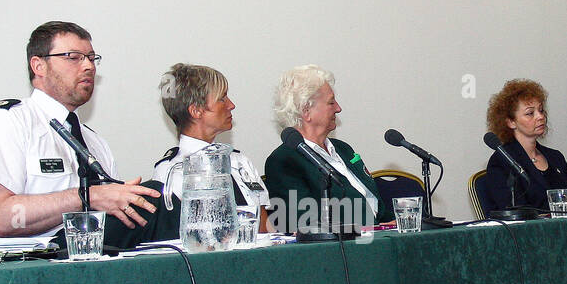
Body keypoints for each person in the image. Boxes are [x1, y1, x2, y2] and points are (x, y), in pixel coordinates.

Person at [0, 21, 160, 249]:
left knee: (159, 199)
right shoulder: (7, 122)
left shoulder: (94, 143)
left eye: (91, 58)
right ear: (39, 66)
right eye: (73, 57)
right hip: (20, 265)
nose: (88, 66)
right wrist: (88, 197)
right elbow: (0, 218)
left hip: (90, 262)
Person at [263, 65, 392, 233]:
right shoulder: (284, 160)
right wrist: (371, 229)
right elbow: (303, 221)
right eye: (331, 102)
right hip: (344, 248)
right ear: (306, 110)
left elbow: (375, 205)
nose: (338, 108)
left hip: (378, 238)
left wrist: (395, 223)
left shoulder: (343, 149)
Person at [152, 64, 270, 231]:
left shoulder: (239, 161)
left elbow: (263, 227)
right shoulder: (170, 171)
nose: (231, 105)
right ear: (196, 111)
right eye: (222, 98)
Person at [480, 79, 567, 213]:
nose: (540, 116)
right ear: (511, 122)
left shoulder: (555, 157)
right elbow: (512, 214)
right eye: (530, 113)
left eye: (541, 111)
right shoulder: (502, 162)